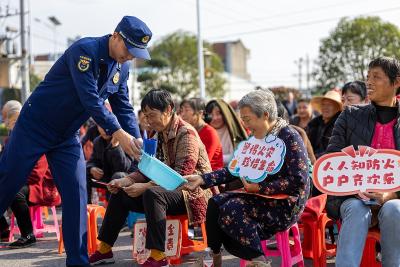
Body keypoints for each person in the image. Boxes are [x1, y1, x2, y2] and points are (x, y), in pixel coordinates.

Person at [0, 16, 152, 266]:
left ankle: (78, 261)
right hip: (35, 126)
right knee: (8, 181)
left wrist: (135, 137)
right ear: (116, 36)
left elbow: (123, 105)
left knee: (77, 195)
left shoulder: (122, 68)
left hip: (66, 135)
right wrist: (117, 132)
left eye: (136, 53)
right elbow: (90, 99)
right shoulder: (85, 51)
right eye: (129, 49)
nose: (130, 57)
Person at [184, 90, 310, 267]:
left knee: (233, 208)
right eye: (243, 118)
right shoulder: (255, 138)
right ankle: (214, 255)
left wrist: (260, 188)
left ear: (265, 115)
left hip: (286, 203)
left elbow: (298, 181)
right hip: (258, 196)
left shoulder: (289, 137)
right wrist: (202, 179)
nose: (245, 124)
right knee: (215, 203)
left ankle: (258, 260)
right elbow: (235, 169)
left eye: (248, 119)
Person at [89, 89, 213, 267]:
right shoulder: (156, 135)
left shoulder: (187, 133)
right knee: (120, 193)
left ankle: (158, 256)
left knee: (153, 194)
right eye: (146, 116)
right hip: (165, 191)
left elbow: (182, 176)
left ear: (169, 109)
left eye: (152, 115)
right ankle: (104, 249)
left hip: (192, 193)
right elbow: (146, 169)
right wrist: (126, 181)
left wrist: (145, 186)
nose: (148, 121)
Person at [326, 57, 400, 267]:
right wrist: (356, 189)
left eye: (376, 77)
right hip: (353, 196)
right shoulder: (349, 115)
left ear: (396, 82)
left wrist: (392, 193)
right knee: (357, 209)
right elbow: (333, 159)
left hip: (395, 198)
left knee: (395, 209)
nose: (369, 82)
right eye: (368, 77)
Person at [0, 104, 61, 248]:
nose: (17, 125)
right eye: (13, 122)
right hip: (21, 181)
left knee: (14, 192)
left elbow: (36, 174)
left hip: (41, 187)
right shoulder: (10, 141)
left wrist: (10, 179)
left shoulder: (36, 138)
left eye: (19, 120)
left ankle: (28, 235)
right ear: (8, 123)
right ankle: (2, 229)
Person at [86, 124, 136, 203]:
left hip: (127, 177)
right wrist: (92, 168)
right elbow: (93, 161)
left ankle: (112, 209)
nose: (104, 129)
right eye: (100, 126)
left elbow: (123, 168)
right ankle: (86, 206)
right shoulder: (97, 141)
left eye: (106, 125)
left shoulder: (125, 140)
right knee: (85, 173)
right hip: (107, 176)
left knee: (118, 176)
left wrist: (115, 147)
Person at [180, 98, 223, 171]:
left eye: (187, 110)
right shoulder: (187, 130)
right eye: (181, 110)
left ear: (200, 113)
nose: (182, 114)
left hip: (211, 176)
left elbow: (203, 163)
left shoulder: (210, 133)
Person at [307, 90, 343, 159]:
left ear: (338, 107)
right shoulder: (314, 123)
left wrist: (314, 158)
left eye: (329, 105)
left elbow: (335, 150)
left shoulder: (340, 125)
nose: (325, 107)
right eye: (323, 104)